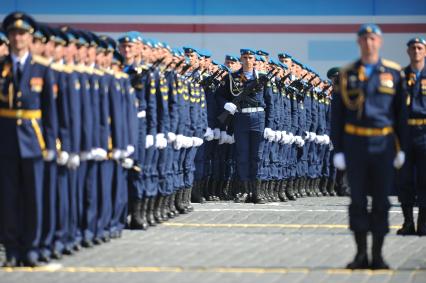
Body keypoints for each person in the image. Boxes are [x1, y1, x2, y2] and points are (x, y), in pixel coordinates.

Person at [331, 24, 408, 269]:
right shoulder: (346, 74)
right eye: (364, 39)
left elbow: (401, 115)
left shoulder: (394, 73)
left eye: (373, 38)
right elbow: (337, 116)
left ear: (379, 42)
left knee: (382, 200)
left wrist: (401, 148)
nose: (368, 43)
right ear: (359, 42)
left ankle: (377, 254)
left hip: (383, 143)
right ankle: (360, 254)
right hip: (355, 144)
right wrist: (339, 150)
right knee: (357, 200)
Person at [0, 12, 58, 267]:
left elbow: (51, 112)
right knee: (9, 199)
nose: (17, 38)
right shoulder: (2, 68)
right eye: (13, 33)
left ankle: (31, 248)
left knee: (34, 199)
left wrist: (52, 143)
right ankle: (12, 249)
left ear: (30, 37)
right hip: (6, 141)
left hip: (34, 142)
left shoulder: (41, 69)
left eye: (22, 33)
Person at [398, 37, 426, 236]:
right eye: (413, 48)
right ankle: (408, 222)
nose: (416, 51)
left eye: (419, 48)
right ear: (407, 52)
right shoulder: (400, 76)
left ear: (424, 52)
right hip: (406, 133)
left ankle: (423, 223)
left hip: (425, 132)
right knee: (405, 179)